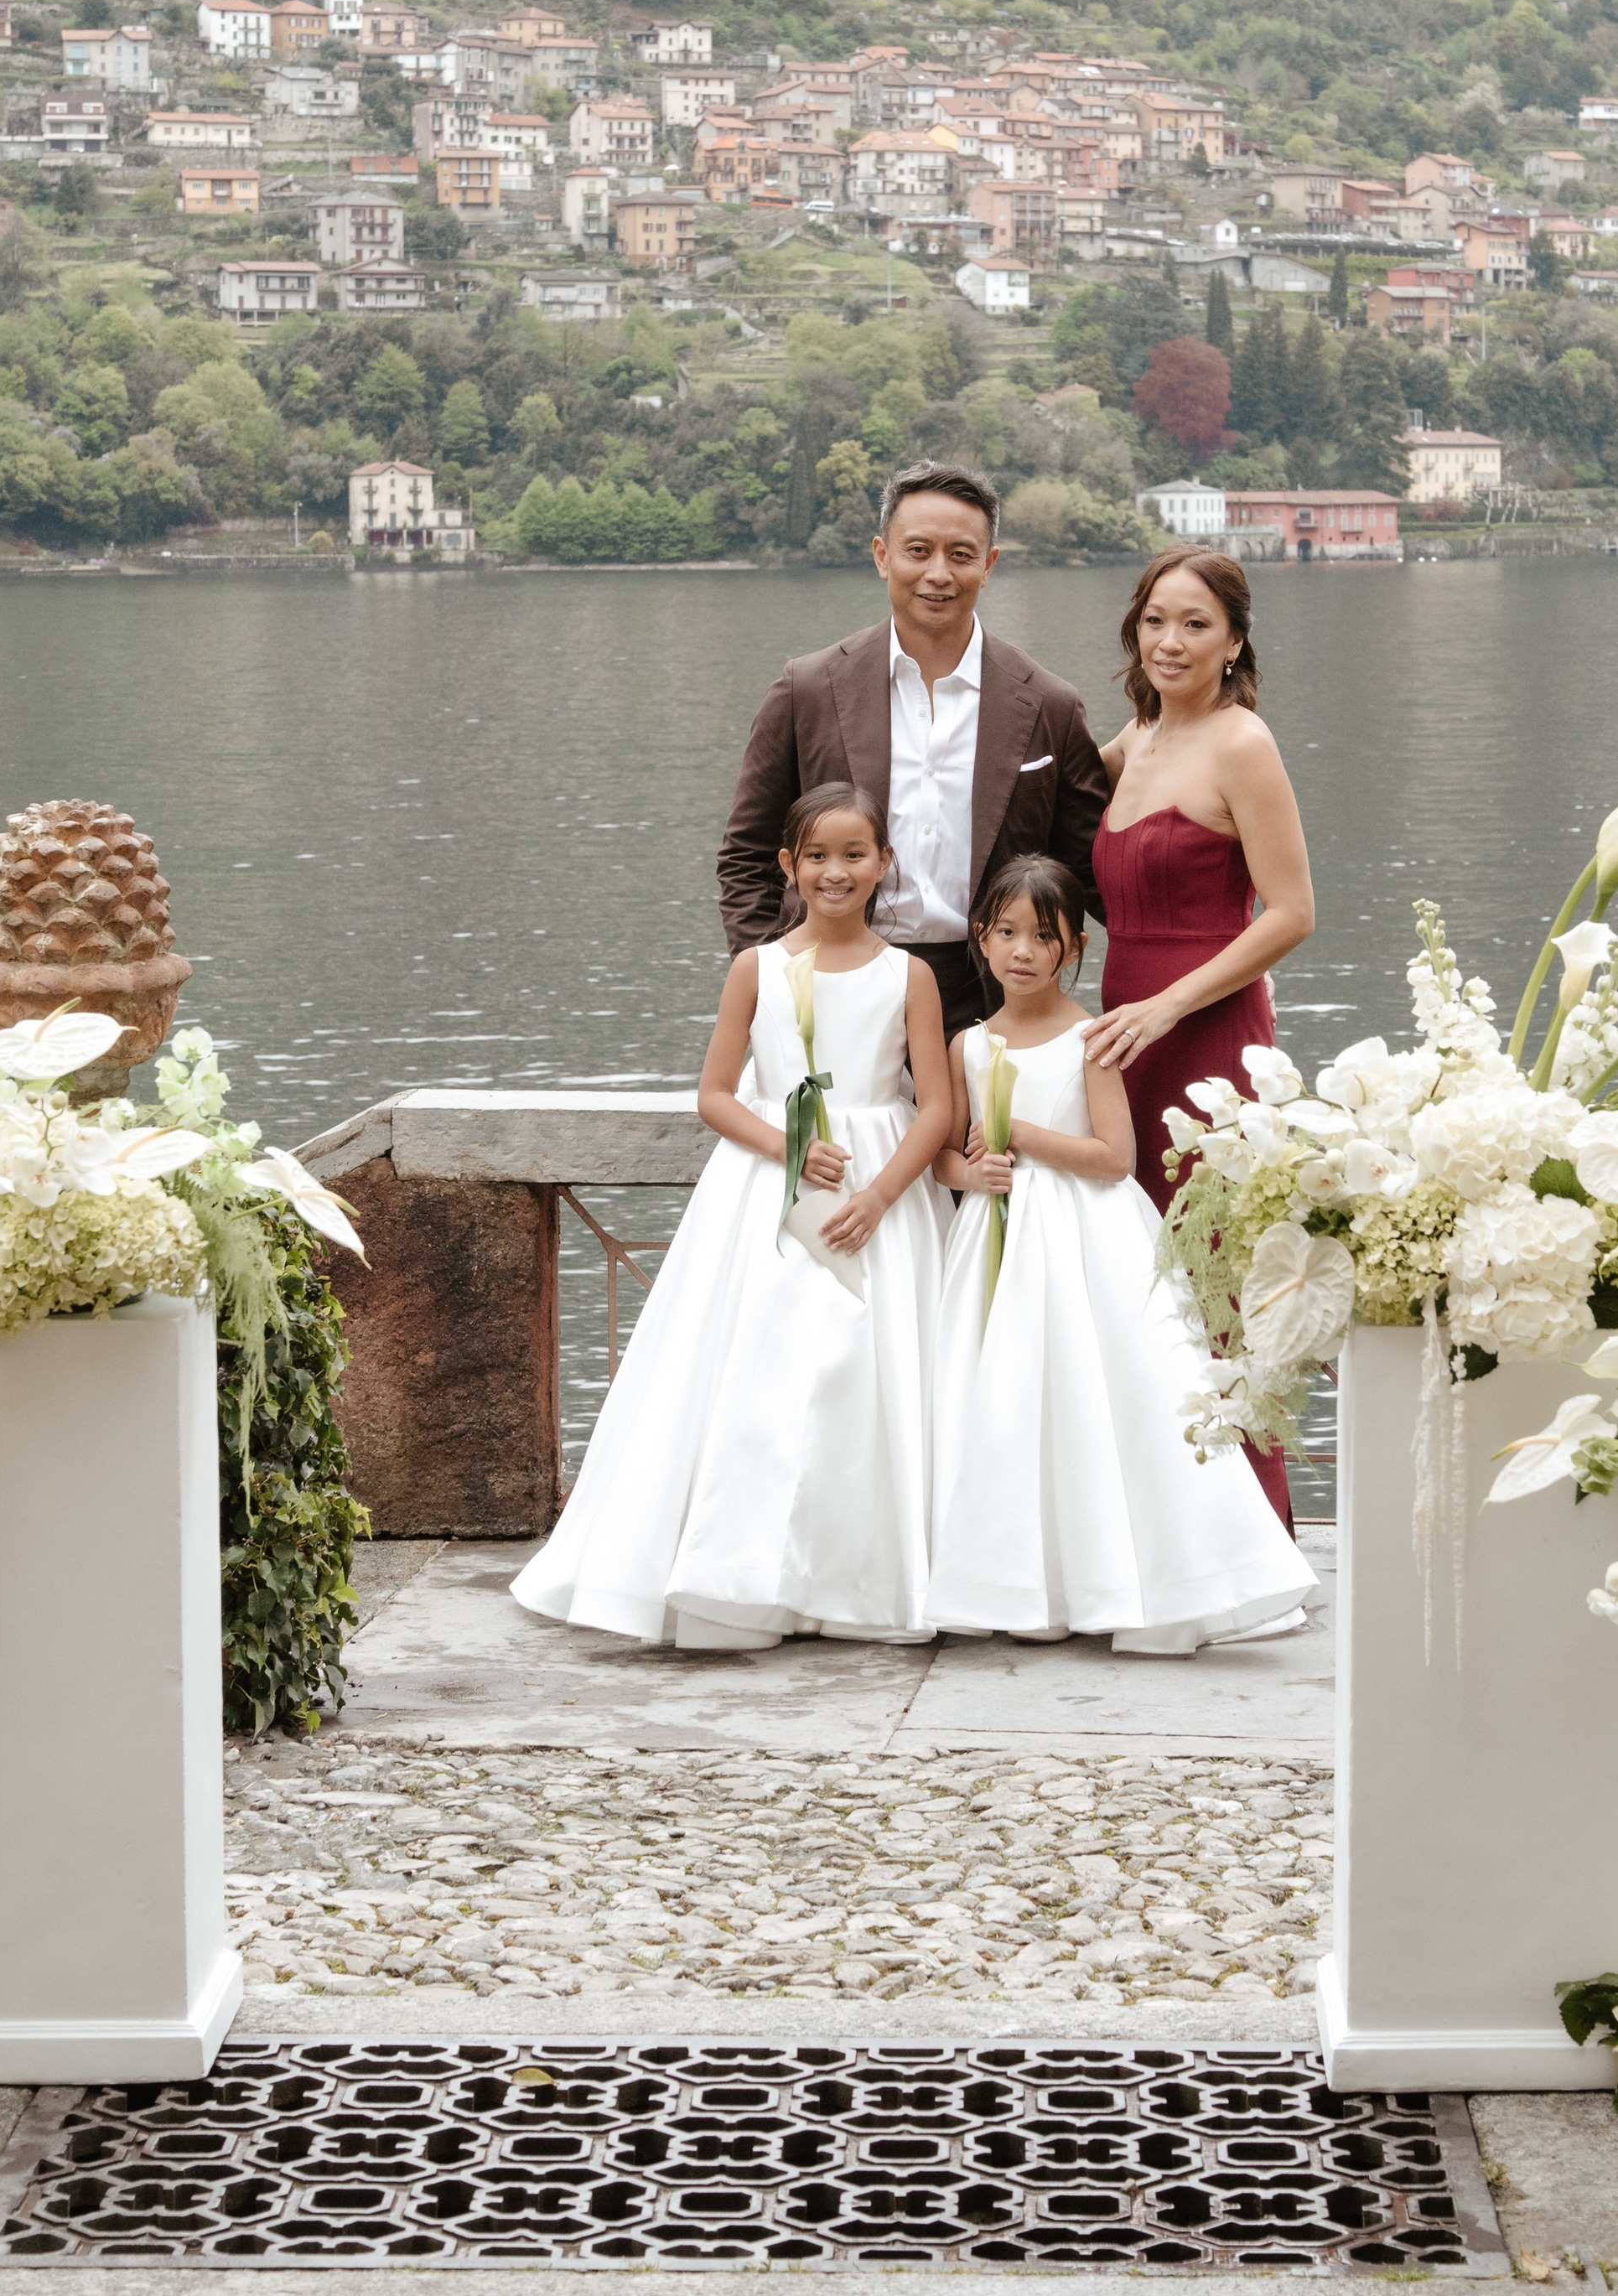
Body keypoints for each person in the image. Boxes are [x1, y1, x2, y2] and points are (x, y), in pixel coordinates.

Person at [512, 784, 951, 1649]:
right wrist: (789, 1149)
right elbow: (714, 1095)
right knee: (765, 1376)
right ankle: (744, 1574)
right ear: (788, 865)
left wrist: (876, 1194)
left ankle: (864, 1578)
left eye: (854, 854)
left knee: (873, 1378)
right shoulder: (757, 968)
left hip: (881, 1191)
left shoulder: (912, 975)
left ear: (884, 864)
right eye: (816, 856)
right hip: (766, 1192)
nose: (836, 872)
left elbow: (933, 1106)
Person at [928, 855, 1315, 1652]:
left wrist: (1022, 1136)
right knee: (1003, 1399)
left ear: (1074, 949)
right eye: (1006, 934)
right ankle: (1013, 1580)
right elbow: (947, 1161)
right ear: (981, 939)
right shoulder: (968, 1044)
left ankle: (1123, 1573)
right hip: (997, 1238)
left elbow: (1113, 1156)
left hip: (1083, 1238)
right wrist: (977, 1168)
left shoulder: (1091, 1039)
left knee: (1093, 1393)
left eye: (1044, 936)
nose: (1023, 952)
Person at [718, 459, 1112, 1038]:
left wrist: (1195, 973)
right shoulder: (807, 689)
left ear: (989, 565)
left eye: (960, 554)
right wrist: (775, 980)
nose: (938, 574)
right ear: (882, 556)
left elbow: (1092, 872)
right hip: (830, 979)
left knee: (984, 1135)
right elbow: (747, 856)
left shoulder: (1050, 703)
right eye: (918, 550)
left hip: (990, 993)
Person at [1085, 549, 1315, 1530]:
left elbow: (1293, 912)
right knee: (1128, 1278)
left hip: (1203, 1032)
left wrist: (1171, 1006)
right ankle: (1151, 1526)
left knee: (1214, 1279)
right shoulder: (1129, 742)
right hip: (1115, 1031)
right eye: (1154, 622)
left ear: (1232, 641)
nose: (1170, 642)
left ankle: (1251, 1535)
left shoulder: (1241, 744)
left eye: (1194, 625)